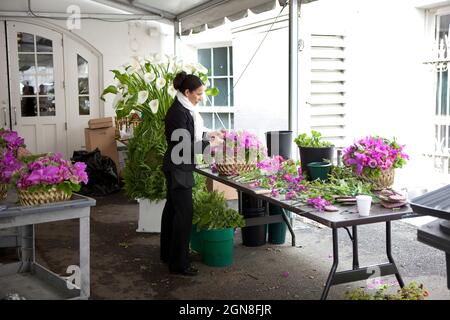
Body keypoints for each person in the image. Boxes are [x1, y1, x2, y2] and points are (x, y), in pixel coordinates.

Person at [161, 71, 222, 276]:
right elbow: (183, 146)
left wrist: (210, 136)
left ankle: (168, 255)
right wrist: (209, 144)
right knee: (184, 215)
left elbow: (192, 136)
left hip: (178, 166)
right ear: (187, 92)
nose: (201, 97)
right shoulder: (178, 112)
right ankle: (179, 264)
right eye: (198, 93)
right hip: (178, 167)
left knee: (172, 211)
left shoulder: (185, 109)